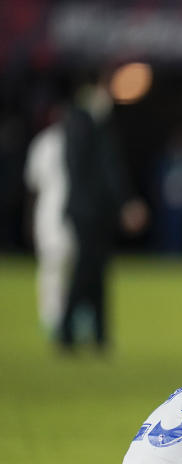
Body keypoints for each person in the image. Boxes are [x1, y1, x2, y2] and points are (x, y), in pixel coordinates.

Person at [59, 70, 148, 352]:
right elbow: (104, 170)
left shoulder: (87, 120)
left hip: (92, 211)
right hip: (88, 211)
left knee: (95, 272)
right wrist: (125, 202)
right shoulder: (84, 120)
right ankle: (67, 331)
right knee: (87, 271)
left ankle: (97, 334)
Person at [24, 111, 72, 337]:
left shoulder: (77, 139)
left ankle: (69, 315)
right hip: (50, 211)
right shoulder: (43, 142)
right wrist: (31, 220)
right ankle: (51, 316)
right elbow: (34, 185)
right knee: (51, 264)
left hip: (71, 211)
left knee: (71, 265)